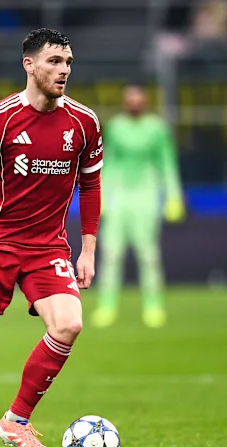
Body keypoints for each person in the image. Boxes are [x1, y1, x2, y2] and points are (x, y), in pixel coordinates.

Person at [0, 28, 103, 447]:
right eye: (54, 61)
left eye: (68, 62)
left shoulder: (84, 122)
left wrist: (88, 250)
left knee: (69, 324)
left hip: (47, 246)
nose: (64, 70)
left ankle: (15, 420)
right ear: (28, 65)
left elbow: (91, 187)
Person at [91, 85, 184, 329]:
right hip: (120, 196)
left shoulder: (157, 129)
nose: (134, 104)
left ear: (145, 102)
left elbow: (167, 163)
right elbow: (108, 163)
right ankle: (107, 306)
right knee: (111, 254)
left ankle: (154, 306)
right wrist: (100, 196)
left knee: (148, 254)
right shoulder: (116, 127)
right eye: (130, 99)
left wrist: (173, 196)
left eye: (138, 99)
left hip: (146, 196)